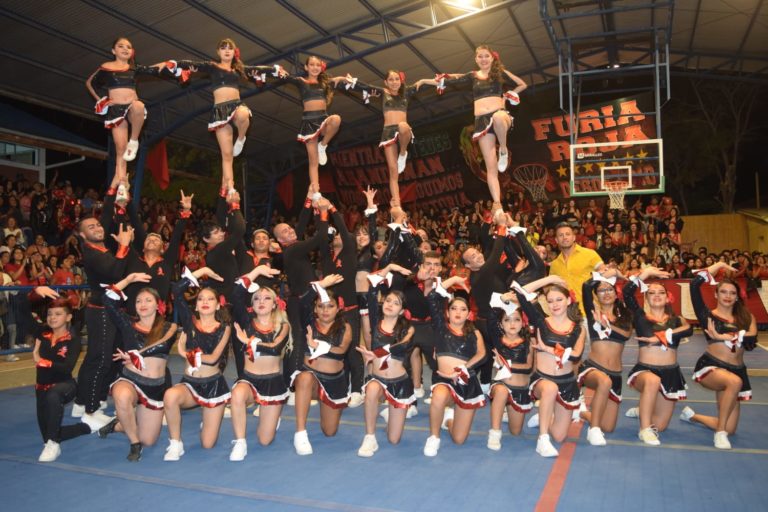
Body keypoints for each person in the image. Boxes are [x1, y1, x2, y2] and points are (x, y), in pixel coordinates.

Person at [166, 39, 276, 191]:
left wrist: (274, 70)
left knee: (244, 114)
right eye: (223, 48)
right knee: (227, 154)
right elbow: (194, 64)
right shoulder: (213, 66)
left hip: (236, 106)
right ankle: (230, 187)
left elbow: (258, 69)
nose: (226, 50)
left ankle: (241, 138)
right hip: (219, 111)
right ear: (218, 52)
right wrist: (176, 64)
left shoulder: (239, 69)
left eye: (230, 48)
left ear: (234, 52)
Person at [436, 45, 527, 214]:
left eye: (486, 56)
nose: (483, 59)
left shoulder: (500, 73)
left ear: (492, 58)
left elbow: (522, 84)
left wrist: (509, 94)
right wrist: (444, 78)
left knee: (499, 117)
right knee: (490, 167)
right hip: (481, 122)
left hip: (500, 115)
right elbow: (457, 77)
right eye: (480, 56)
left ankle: (504, 150)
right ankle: (497, 202)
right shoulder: (473, 76)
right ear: (476, 59)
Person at [98, 273, 177, 461]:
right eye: (139, 301)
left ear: (158, 305)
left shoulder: (169, 327)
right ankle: (134, 443)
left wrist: (136, 354)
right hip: (130, 380)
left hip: (155, 387)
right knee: (123, 396)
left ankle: (118, 425)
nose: (142, 304)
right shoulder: (128, 324)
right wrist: (128, 280)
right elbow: (107, 300)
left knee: (149, 440)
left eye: (148, 300)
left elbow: (163, 345)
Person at [684, 261, 758, 449]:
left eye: (732, 293)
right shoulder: (707, 315)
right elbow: (694, 286)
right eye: (723, 292)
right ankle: (720, 433)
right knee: (733, 382)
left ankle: (692, 415)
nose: (728, 296)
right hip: (712, 366)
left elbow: (752, 338)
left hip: (737, 369)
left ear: (737, 297)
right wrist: (718, 265)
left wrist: (723, 336)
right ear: (716, 294)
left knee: (731, 427)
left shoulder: (747, 317)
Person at [163, 267, 231, 461]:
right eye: (201, 299)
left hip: (213, 386)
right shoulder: (190, 322)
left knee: (207, 444)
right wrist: (201, 271)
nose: (205, 302)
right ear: (196, 305)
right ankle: (175, 443)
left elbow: (214, 358)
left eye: (210, 299)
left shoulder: (224, 328)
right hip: (190, 384)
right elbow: (176, 291)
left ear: (218, 305)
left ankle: (208, 419)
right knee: (170, 396)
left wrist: (186, 352)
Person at [514, 276, 585, 457]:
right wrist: (549, 279)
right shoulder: (541, 321)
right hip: (543, 380)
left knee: (560, 437)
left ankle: (545, 415)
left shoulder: (578, 328)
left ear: (569, 300)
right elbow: (521, 292)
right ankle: (542, 439)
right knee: (550, 389)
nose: (554, 304)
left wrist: (548, 349)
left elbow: (576, 355)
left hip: (567, 382)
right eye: (550, 300)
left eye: (559, 299)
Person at [623, 267, 693, 446]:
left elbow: (689, 329)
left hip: (671, 373)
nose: (656, 295)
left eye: (660, 292)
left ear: (668, 297)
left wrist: (660, 337)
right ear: (646, 297)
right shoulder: (640, 317)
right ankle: (644, 429)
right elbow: (627, 292)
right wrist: (645, 273)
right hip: (645, 371)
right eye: (651, 293)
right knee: (652, 381)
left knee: (660, 426)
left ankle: (642, 411)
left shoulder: (677, 320)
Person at [228, 265, 290, 461]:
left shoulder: (283, 325)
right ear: (252, 305)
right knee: (237, 394)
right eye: (256, 298)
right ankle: (240, 442)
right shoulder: (247, 322)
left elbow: (274, 349)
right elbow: (236, 294)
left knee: (264, 440)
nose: (261, 301)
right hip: (249, 379)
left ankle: (272, 414)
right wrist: (257, 272)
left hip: (273, 382)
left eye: (267, 298)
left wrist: (248, 342)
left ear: (275, 304)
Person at [85, 37, 162, 187]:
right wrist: (101, 100)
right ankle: (120, 184)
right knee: (121, 150)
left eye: (128, 46)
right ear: (113, 50)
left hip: (132, 107)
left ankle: (134, 140)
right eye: (121, 46)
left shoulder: (134, 68)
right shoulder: (106, 67)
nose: (125, 49)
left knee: (139, 106)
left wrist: (171, 64)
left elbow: (154, 69)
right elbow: (90, 83)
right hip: (116, 110)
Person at [423, 276, 487, 457]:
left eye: (463, 309)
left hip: (467, 383)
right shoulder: (441, 327)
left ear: (469, 314)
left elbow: (482, 354)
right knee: (438, 397)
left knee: (459, 440)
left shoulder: (474, 332)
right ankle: (434, 437)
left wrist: (463, 369)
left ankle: (448, 421)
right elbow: (432, 297)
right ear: (448, 312)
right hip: (444, 379)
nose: (458, 312)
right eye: (454, 308)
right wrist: (455, 279)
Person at [291, 274, 352, 456]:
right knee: (304, 377)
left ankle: (326, 402)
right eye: (321, 306)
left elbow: (341, 351)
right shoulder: (309, 322)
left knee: (330, 432)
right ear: (315, 309)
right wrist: (320, 286)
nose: (325, 310)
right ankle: (300, 433)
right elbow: (302, 302)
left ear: (338, 308)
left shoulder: (345, 326)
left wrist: (318, 345)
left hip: (335, 381)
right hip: (312, 376)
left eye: (330, 306)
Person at [273, 56, 353, 193]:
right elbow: (286, 77)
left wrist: (346, 79)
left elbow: (337, 79)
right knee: (313, 160)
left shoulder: (325, 83)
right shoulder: (301, 81)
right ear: (306, 67)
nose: (315, 67)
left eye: (317, 65)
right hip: (308, 122)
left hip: (322, 119)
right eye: (312, 65)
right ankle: (316, 190)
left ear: (321, 67)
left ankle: (323, 145)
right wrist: (277, 71)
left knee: (336, 119)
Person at [32, 288, 93, 462]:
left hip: (65, 385)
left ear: (68, 317)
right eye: (50, 313)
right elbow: (26, 305)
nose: (52, 317)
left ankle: (53, 445)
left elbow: (66, 368)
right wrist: (36, 290)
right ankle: (84, 427)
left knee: (53, 396)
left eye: (58, 314)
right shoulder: (43, 333)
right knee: (48, 432)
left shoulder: (73, 339)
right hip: (40, 387)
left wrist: (41, 360)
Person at [354, 72, 431, 205]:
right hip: (388, 132)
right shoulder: (383, 93)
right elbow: (365, 86)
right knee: (393, 170)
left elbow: (423, 83)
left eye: (396, 79)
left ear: (400, 81)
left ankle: (403, 153)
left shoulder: (406, 92)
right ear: (386, 82)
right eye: (391, 79)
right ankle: (396, 200)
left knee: (403, 126)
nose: (394, 82)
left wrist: (431, 80)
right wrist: (350, 81)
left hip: (403, 129)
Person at [356, 283, 415, 457]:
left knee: (394, 439)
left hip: (399, 383)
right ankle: (369, 437)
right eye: (388, 300)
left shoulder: (407, 329)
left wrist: (377, 353)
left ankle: (390, 413)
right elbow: (370, 293)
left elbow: (404, 345)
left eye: (396, 303)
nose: (390, 304)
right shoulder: (375, 322)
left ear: (402, 310)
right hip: (378, 379)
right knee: (372, 390)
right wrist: (384, 272)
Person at [578, 269, 633, 445]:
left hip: (616, 374)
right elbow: (586, 286)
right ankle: (593, 430)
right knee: (603, 382)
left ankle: (578, 413)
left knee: (608, 427)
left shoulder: (624, 314)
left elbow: (625, 335)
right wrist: (603, 275)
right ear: (596, 296)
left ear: (616, 293)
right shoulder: (593, 312)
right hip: (593, 368)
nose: (606, 293)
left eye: (610, 289)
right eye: (601, 290)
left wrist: (607, 325)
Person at [486, 306, 533, 451]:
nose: (512, 324)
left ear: (523, 322)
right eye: (507, 320)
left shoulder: (528, 342)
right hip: (502, 385)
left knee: (516, 431)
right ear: (501, 324)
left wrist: (506, 365)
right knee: (501, 392)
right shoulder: (498, 340)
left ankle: (506, 410)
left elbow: (528, 368)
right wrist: (505, 301)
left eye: (516, 319)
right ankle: (494, 432)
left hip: (520, 390)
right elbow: (491, 316)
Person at [549, 222, 605, 310]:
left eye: (567, 234)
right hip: (566, 314)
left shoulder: (590, 254)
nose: (564, 237)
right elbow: (552, 290)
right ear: (556, 240)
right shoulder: (554, 265)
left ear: (574, 237)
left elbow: (605, 274)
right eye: (561, 235)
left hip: (590, 312)